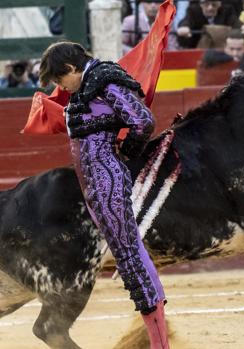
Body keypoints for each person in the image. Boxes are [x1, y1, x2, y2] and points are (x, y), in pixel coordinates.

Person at [38, 42, 169, 349]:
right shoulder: (91, 85)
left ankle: (160, 345)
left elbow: (142, 121)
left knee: (130, 257)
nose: (62, 87)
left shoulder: (103, 79)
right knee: (128, 256)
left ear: (71, 69)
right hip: (97, 186)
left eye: (60, 80)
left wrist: (125, 154)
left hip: (106, 182)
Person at [177, 0, 243, 49]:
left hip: (222, 50)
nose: (210, 8)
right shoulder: (193, 11)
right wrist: (184, 27)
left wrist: (243, 27)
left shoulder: (227, 10)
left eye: (214, 4)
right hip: (197, 50)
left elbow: (235, 22)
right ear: (200, 4)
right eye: (206, 4)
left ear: (219, 4)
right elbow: (187, 20)